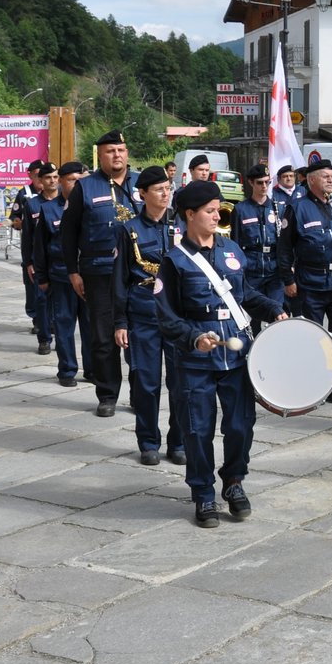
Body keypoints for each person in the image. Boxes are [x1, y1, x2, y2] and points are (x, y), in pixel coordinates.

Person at [155, 179, 287, 528]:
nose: (217, 216)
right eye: (210, 211)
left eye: (217, 210)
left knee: (241, 425)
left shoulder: (232, 250)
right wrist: (193, 337)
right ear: (189, 215)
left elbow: (245, 295)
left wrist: (275, 310)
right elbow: (166, 316)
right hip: (194, 360)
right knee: (197, 430)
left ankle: (233, 481)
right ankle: (203, 494)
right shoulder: (174, 261)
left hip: (236, 354)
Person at [59, 131, 140, 417]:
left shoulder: (143, 184)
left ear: (127, 153)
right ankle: (107, 394)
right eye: (110, 151)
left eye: (120, 149)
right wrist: (73, 271)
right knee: (103, 338)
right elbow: (68, 233)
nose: (116, 155)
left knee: (138, 336)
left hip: (138, 275)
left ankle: (140, 393)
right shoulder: (85, 187)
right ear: (100, 155)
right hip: (99, 273)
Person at [113, 165, 189, 467]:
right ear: (142, 194)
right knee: (145, 382)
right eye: (159, 189)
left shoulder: (180, 226)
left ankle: (178, 442)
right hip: (142, 313)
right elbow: (118, 280)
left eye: (168, 188)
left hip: (176, 314)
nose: (165, 193)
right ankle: (148, 441)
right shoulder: (128, 229)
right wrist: (120, 322)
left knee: (181, 382)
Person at [279, 156, 332, 405]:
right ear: (311, 180)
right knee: (314, 336)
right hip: (311, 282)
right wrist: (288, 280)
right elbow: (284, 248)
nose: (331, 180)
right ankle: (313, 383)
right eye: (325, 176)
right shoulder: (298, 208)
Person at [35, 163, 94, 388]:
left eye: (81, 180)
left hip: (90, 277)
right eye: (72, 180)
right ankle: (67, 370)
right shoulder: (50, 209)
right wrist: (42, 277)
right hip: (61, 278)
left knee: (91, 327)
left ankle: (91, 368)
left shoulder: (93, 206)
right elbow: (39, 247)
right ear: (61, 181)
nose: (78, 184)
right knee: (64, 326)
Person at [231, 164, 284, 313]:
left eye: (267, 182)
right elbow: (235, 242)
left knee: (277, 311)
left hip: (274, 268)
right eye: (260, 182)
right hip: (251, 268)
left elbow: (285, 241)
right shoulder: (241, 209)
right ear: (251, 182)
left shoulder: (278, 208)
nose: (264, 186)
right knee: (253, 314)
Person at [19, 162, 55, 355]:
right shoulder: (32, 204)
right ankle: (44, 338)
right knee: (41, 300)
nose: (52, 181)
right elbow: (27, 236)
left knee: (61, 302)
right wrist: (29, 263)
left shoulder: (66, 202)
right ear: (40, 180)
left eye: (56, 177)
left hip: (60, 260)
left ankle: (55, 329)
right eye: (48, 177)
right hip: (39, 261)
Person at [12, 160, 48, 351]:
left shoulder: (58, 196)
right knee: (32, 286)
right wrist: (18, 222)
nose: (43, 178)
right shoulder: (25, 194)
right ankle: (36, 318)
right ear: (31, 175)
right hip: (32, 247)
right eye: (38, 173)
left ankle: (48, 323)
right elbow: (15, 217)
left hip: (53, 252)